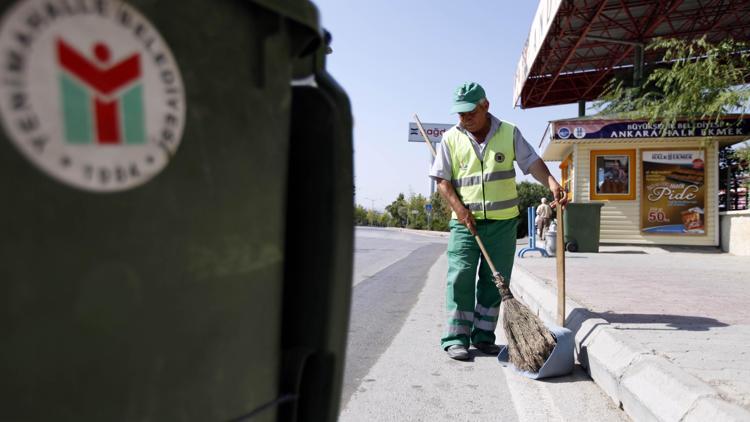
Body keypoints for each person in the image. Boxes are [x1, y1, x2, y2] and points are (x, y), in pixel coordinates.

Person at [429, 82, 567, 361]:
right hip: (464, 224)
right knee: (460, 277)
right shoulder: (451, 138)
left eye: (469, 112)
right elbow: (442, 180)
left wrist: (551, 181)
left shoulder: (509, 132)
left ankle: (483, 337)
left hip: (503, 224)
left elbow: (532, 162)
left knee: (495, 282)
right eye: (459, 114)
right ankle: (456, 337)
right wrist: (460, 209)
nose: (464, 119)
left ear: (485, 106)